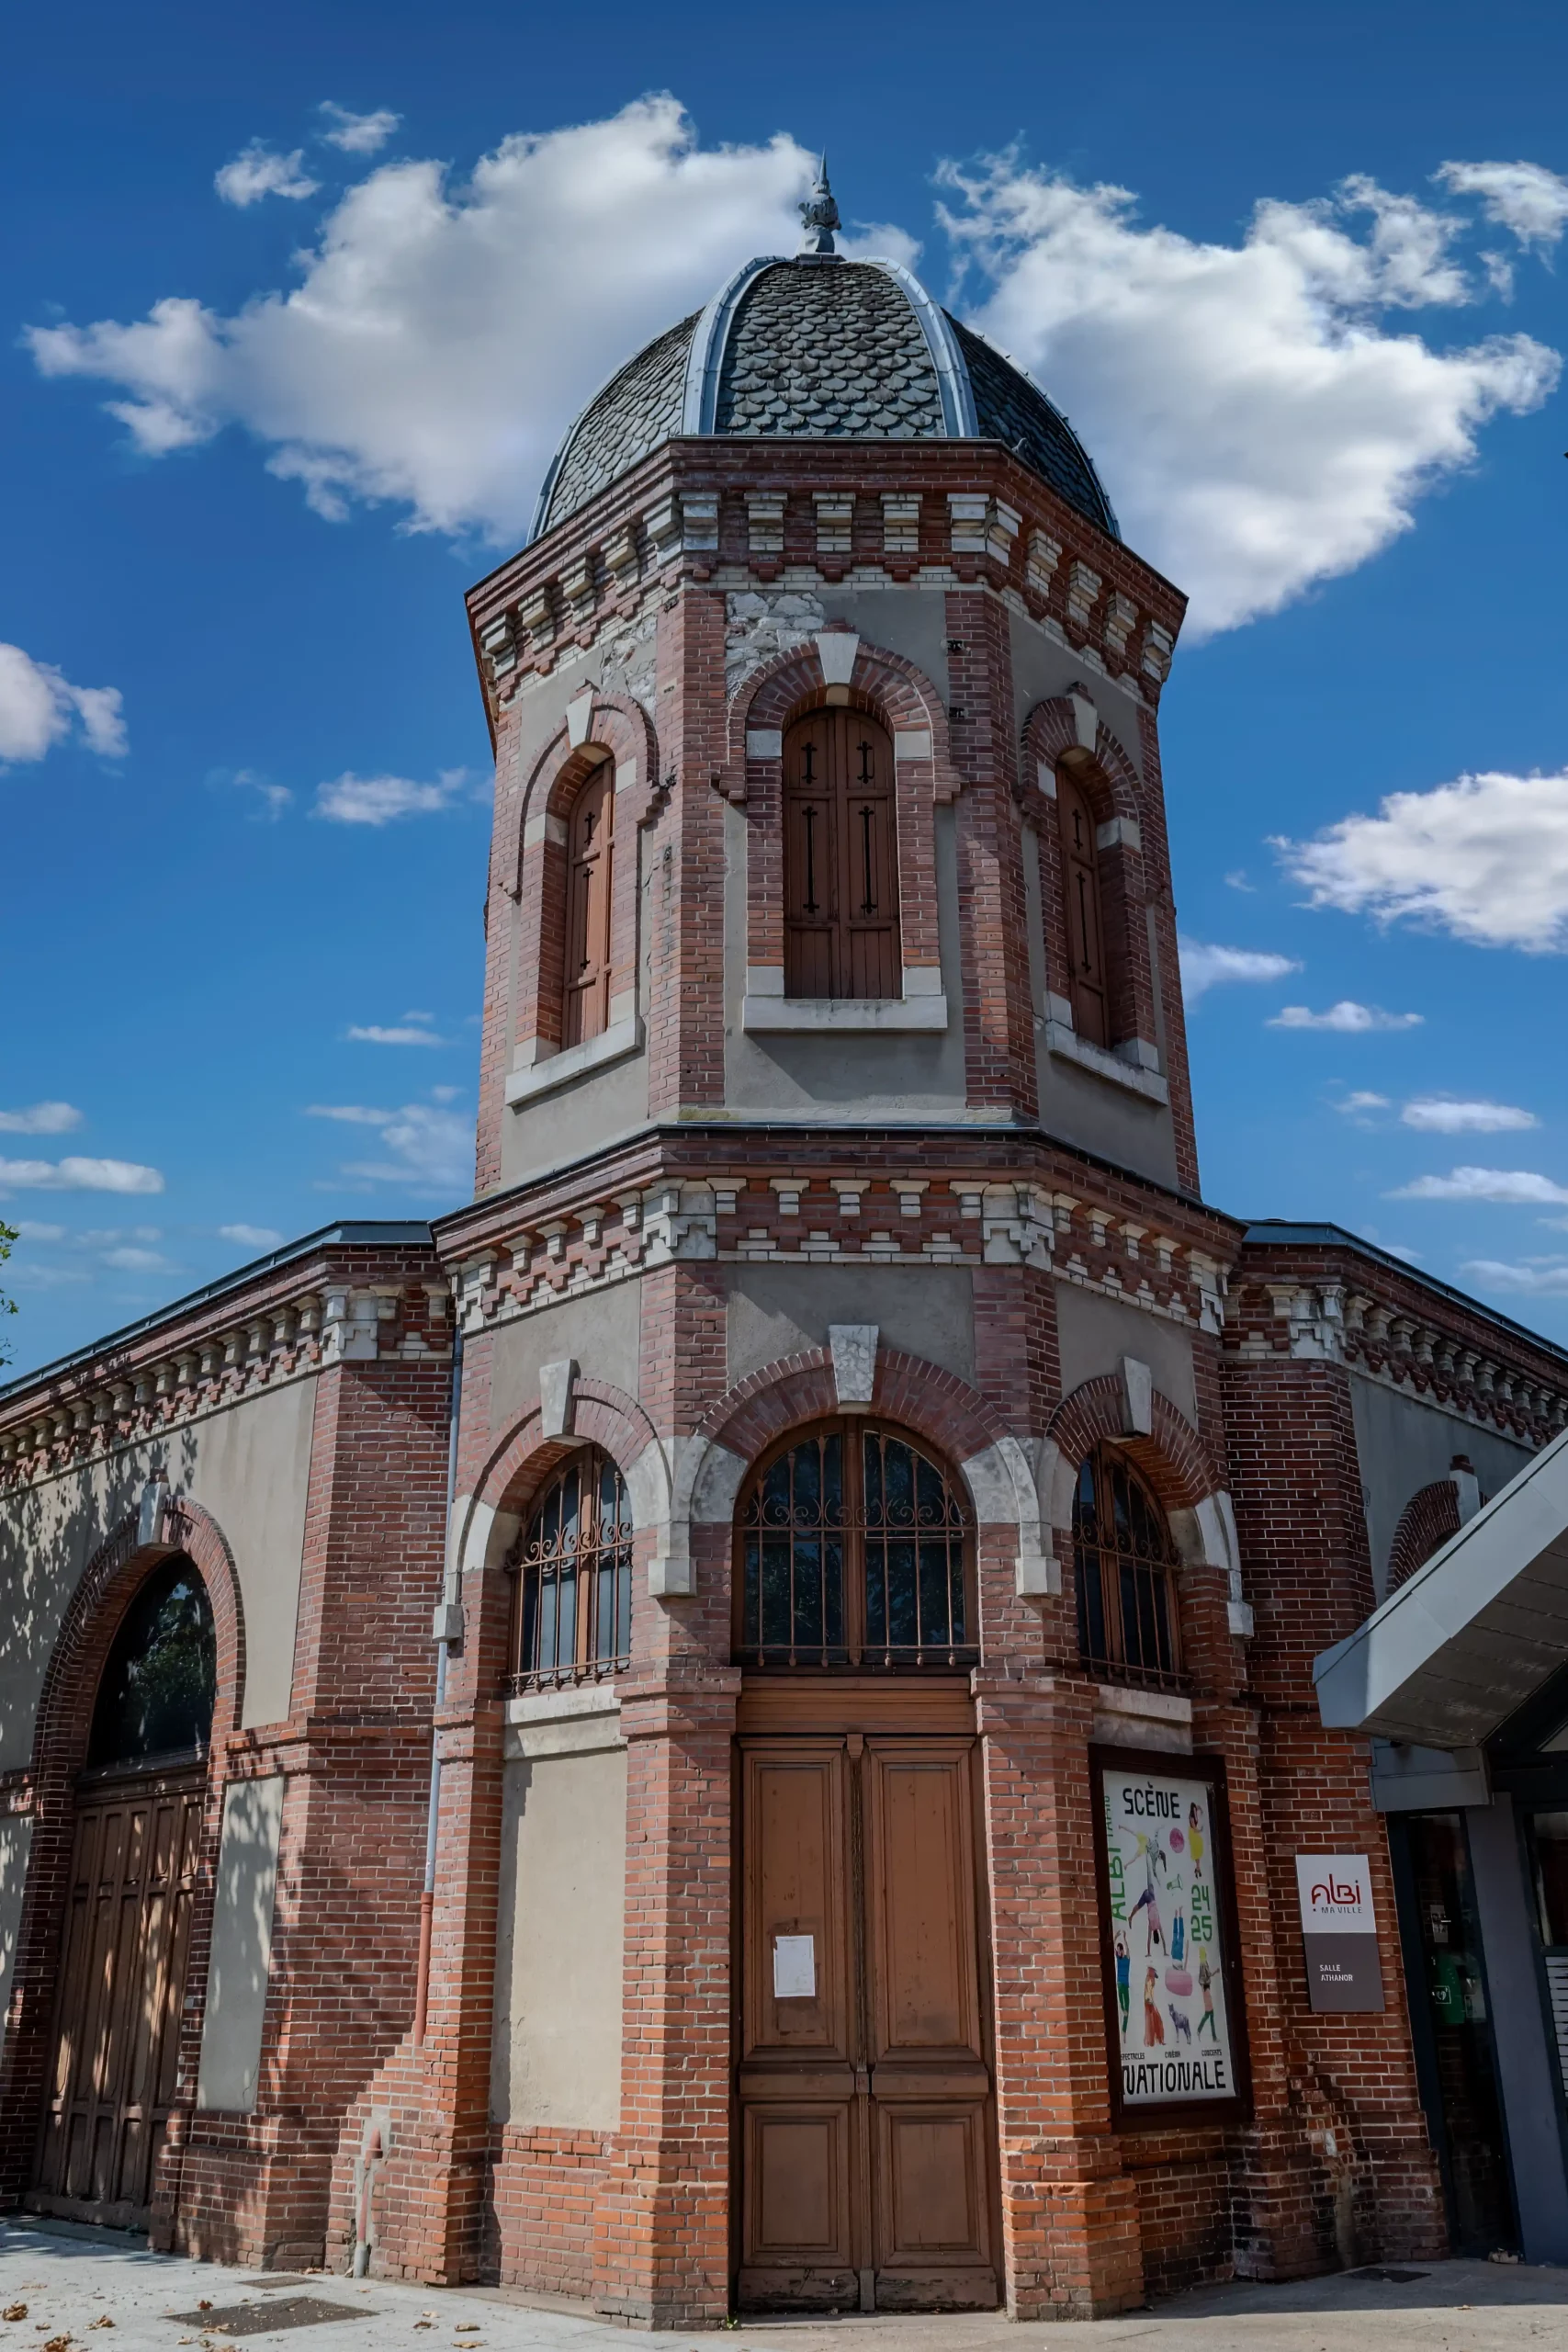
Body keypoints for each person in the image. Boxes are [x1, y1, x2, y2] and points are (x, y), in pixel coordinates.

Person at [1196, 1944, 1217, 2041]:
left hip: (1205, 1988)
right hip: (1206, 1988)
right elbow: (1209, 1974)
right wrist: (1216, 1971)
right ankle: (1202, 2031)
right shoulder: (1204, 1963)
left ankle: (1204, 2032)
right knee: (1209, 2013)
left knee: (1210, 2013)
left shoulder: (1202, 1963)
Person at [1143, 1966, 1165, 2046]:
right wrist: (1151, 2002)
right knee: (1155, 2020)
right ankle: (1156, 2040)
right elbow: (1148, 1991)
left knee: (1153, 2021)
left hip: (1149, 2002)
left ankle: (1155, 2040)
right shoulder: (1149, 1979)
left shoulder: (1150, 1978)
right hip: (1149, 2003)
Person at [1114, 1933, 1131, 2035]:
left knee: (1127, 2007)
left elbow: (1128, 1949)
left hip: (1126, 1983)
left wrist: (1124, 1938)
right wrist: (1115, 1937)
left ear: (1122, 1950)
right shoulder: (1118, 1959)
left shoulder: (1127, 1958)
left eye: (1119, 1950)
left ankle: (1124, 2031)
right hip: (1120, 1982)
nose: (1118, 1952)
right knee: (1121, 1998)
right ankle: (1122, 2008)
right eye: (1117, 1950)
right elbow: (1113, 1948)